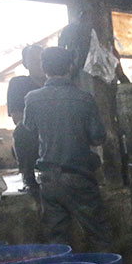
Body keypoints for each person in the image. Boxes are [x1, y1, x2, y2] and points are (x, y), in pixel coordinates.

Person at [22, 47, 111, 252]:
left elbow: (27, 132)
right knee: (99, 236)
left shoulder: (32, 99)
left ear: (44, 68)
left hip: (48, 180)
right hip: (79, 177)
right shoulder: (84, 99)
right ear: (71, 67)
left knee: (56, 242)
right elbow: (98, 137)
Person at [7, 45, 45, 193]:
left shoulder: (58, 84)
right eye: (33, 60)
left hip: (59, 135)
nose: (39, 64)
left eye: (41, 60)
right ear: (25, 64)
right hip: (36, 137)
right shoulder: (18, 84)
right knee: (21, 130)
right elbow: (17, 118)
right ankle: (28, 177)